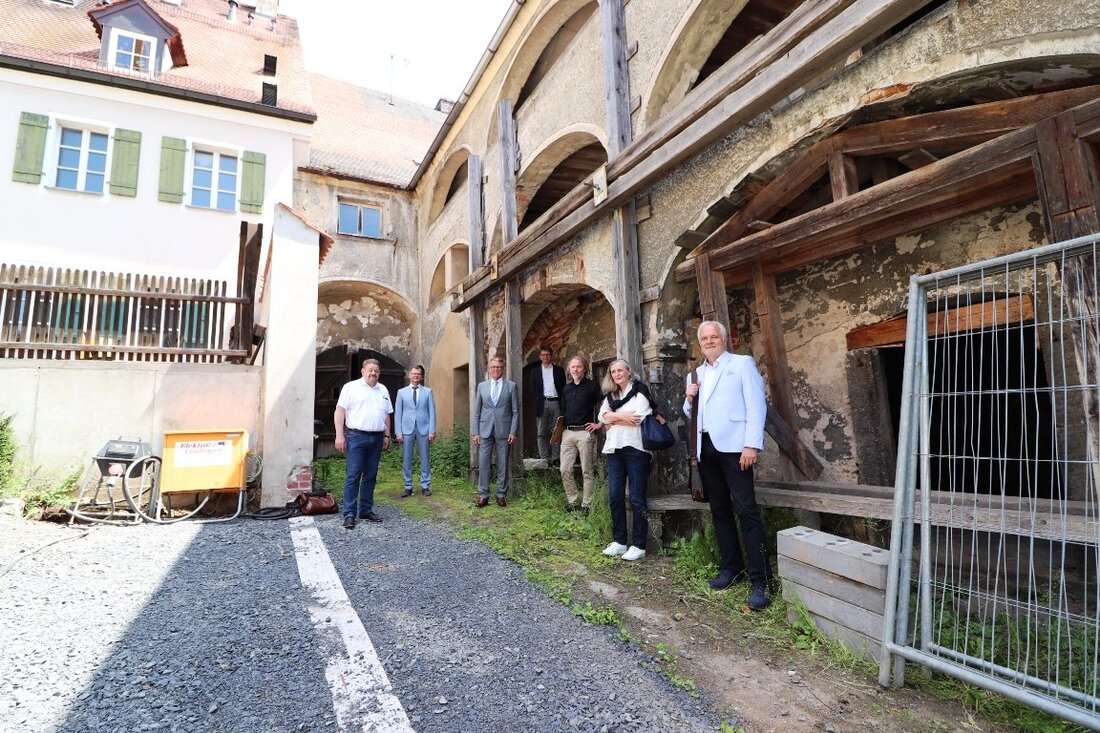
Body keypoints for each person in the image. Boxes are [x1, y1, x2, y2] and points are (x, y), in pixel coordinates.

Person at [683, 320, 771, 610]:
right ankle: (731, 568)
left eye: (714, 337)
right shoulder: (695, 373)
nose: (709, 341)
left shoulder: (742, 364)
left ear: (724, 338)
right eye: (705, 338)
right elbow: (691, 413)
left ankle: (761, 580)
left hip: (736, 448)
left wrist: (751, 444)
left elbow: (757, 405)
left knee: (747, 511)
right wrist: (688, 398)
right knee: (719, 510)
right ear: (700, 343)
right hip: (705, 448)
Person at [597, 359, 652, 562]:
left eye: (620, 370)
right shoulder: (611, 396)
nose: (617, 374)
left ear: (629, 371)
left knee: (637, 498)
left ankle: (639, 545)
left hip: (636, 449)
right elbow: (602, 416)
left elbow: (637, 418)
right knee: (615, 496)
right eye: (613, 372)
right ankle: (620, 542)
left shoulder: (640, 391)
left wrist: (612, 419)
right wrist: (620, 417)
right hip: (614, 449)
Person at [334, 358, 393, 529]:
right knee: (353, 476)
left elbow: (387, 414)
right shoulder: (350, 387)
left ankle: (366, 510)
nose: (373, 373)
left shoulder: (383, 389)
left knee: (371, 476)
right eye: (370, 370)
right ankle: (349, 513)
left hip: (376, 438)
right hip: (356, 437)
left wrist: (387, 436)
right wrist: (339, 435)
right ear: (363, 371)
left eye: (376, 370)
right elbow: (340, 411)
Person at [473, 356, 519, 507]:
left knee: (503, 462)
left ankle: (501, 494)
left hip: (504, 430)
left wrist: (513, 431)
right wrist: (475, 432)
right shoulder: (482, 386)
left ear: (503, 369)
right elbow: (477, 411)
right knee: (483, 462)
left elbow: (515, 411)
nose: (495, 370)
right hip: (484, 430)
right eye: (493, 367)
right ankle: (483, 495)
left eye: (498, 367)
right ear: (488, 368)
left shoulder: (511, 386)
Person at [559, 355, 602, 514]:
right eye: (573, 367)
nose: (575, 369)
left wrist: (599, 423)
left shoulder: (592, 386)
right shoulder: (566, 389)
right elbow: (562, 410)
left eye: (578, 366)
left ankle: (587, 504)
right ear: (569, 370)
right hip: (568, 432)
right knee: (565, 469)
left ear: (584, 369)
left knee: (587, 470)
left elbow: (604, 404)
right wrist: (559, 430)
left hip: (585, 433)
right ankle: (573, 501)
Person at [394, 365, 436, 498]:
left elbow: (432, 412)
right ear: (409, 375)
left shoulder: (428, 392)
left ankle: (425, 485)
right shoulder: (401, 392)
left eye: (418, 374)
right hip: (407, 429)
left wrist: (432, 430)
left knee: (425, 458)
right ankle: (408, 486)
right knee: (407, 458)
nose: (415, 376)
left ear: (422, 376)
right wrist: (398, 432)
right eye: (413, 373)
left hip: (424, 428)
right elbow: (398, 413)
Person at [529, 346, 565, 465]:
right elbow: (532, 390)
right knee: (541, 432)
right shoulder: (534, 372)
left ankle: (555, 458)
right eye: (543, 355)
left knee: (557, 431)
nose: (545, 357)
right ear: (540, 357)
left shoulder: (559, 370)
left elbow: (563, 388)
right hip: (542, 403)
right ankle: (544, 458)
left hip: (556, 402)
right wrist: (536, 403)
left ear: (551, 356)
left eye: (547, 354)